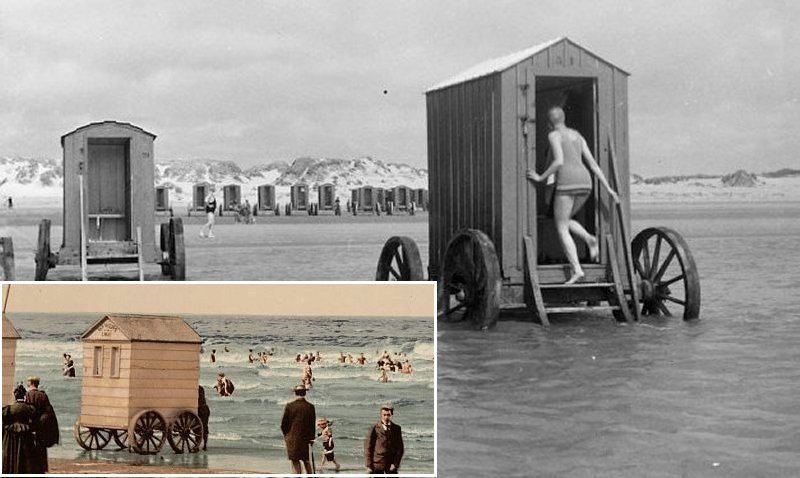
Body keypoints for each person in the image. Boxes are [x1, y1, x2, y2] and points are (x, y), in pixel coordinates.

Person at [526, 106, 620, 284]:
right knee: (565, 219)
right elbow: (593, 164)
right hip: (585, 182)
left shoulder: (554, 135)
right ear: (564, 118)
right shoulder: (577, 135)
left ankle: (577, 269)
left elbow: (559, 161)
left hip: (567, 181)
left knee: (561, 227)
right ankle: (590, 239)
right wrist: (608, 188)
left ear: (549, 123)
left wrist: (540, 177)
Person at [2, 383, 43, 474]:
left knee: (11, 456)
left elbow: (4, 422)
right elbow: (36, 423)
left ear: (15, 396)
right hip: (25, 436)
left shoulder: (8, 409)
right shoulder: (30, 408)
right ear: (24, 395)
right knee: (27, 458)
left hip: (11, 437)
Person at [280, 385, 316, 474]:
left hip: (292, 438)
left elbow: (283, 424)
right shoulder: (310, 407)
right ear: (305, 393)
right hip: (305, 438)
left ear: (295, 393)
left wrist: (287, 435)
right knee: (306, 460)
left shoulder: (290, 406)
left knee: (295, 460)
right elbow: (312, 425)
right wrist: (312, 438)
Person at [24, 376, 58, 471]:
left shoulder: (26, 395)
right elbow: (48, 413)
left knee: (29, 448)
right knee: (41, 449)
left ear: (30, 383)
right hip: (41, 427)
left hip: (29, 426)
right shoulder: (43, 395)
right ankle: (41, 468)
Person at [364, 405, 404, 474]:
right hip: (377, 465)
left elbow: (400, 448)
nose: (386, 417)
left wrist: (395, 464)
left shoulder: (396, 428)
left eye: (388, 415)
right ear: (381, 415)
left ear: (391, 415)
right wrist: (369, 466)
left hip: (391, 465)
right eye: (384, 415)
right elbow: (368, 447)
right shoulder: (374, 428)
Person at [197, 385, 210, 451]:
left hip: (202, 409)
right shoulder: (200, 388)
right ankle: (203, 445)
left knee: (201, 427)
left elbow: (199, 399)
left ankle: (204, 445)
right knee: (203, 426)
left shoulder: (199, 388)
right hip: (203, 408)